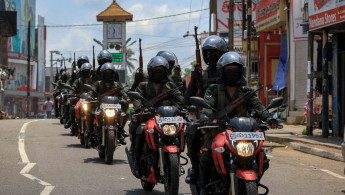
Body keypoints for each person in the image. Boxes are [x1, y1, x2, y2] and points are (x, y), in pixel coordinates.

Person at [198, 52, 271, 191]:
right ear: (222, 72)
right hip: (218, 132)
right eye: (229, 70)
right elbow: (207, 106)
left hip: (243, 134)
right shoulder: (213, 89)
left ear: (241, 71)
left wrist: (269, 118)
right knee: (206, 156)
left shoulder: (246, 91)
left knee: (263, 159)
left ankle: (251, 184)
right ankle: (203, 189)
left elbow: (259, 107)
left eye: (235, 69)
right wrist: (205, 118)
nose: (233, 73)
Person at [129, 56, 184, 178]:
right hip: (149, 118)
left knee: (181, 130)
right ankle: (137, 163)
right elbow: (137, 99)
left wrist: (183, 109)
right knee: (140, 129)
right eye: (156, 70)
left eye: (162, 70)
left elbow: (180, 100)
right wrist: (140, 109)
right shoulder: (143, 85)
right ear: (150, 71)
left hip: (166, 119)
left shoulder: (171, 86)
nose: (159, 72)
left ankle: (176, 159)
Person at [185, 35, 228, 184]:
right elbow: (187, 99)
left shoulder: (233, 71)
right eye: (208, 53)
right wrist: (194, 79)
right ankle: (196, 169)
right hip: (208, 119)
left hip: (232, 119)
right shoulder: (204, 75)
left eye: (215, 53)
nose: (211, 56)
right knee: (191, 131)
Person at [89, 63, 129, 151]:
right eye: (106, 72)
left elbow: (123, 93)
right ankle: (91, 134)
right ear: (102, 73)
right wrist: (90, 97)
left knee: (124, 113)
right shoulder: (97, 84)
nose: (108, 74)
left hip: (114, 107)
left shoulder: (116, 84)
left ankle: (120, 131)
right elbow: (91, 92)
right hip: (101, 107)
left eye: (110, 72)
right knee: (91, 114)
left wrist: (127, 98)